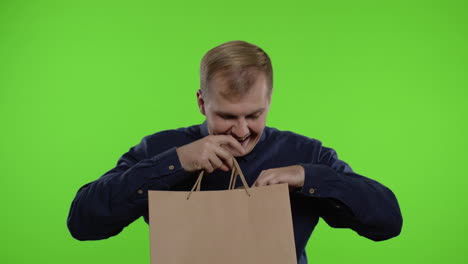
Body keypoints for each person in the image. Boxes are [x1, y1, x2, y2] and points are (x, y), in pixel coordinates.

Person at [67, 40, 403, 264]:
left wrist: (309, 177)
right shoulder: (160, 148)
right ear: (202, 102)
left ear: (269, 101)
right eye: (227, 116)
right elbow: (83, 222)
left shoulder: (306, 153)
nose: (241, 131)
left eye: (254, 115)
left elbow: (388, 221)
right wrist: (176, 163)